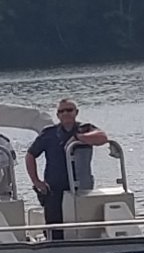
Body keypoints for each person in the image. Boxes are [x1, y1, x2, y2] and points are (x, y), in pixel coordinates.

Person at [25, 98, 107, 240]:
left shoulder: (85, 128)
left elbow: (102, 138)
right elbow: (30, 155)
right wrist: (36, 181)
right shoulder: (48, 133)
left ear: (76, 112)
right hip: (54, 188)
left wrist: (78, 138)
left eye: (69, 110)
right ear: (57, 115)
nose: (65, 114)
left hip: (81, 187)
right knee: (55, 227)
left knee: (83, 223)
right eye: (61, 111)